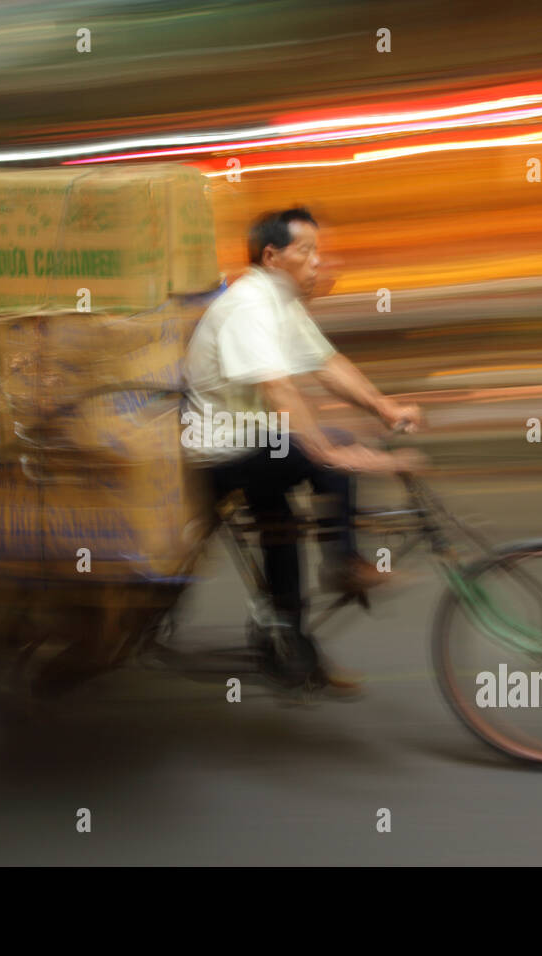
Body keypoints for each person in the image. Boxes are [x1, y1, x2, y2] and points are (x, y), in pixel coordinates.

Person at [182, 208, 424, 689]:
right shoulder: (250, 304)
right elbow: (278, 389)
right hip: (221, 451)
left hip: (254, 442)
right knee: (332, 447)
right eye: (307, 250)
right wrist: (325, 452)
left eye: (319, 250)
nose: (318, 261)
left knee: (283, 531)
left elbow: (327, 364)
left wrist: (383, 407)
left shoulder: (281, 303)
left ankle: (292, 653)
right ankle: (344, 563)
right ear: (272, 256)